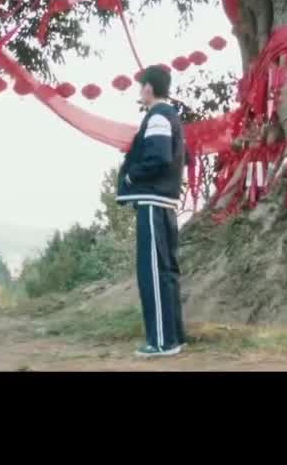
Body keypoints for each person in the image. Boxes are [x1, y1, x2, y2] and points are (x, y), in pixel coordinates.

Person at [115, 65, 186, 357]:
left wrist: (132, 176)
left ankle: (161, 342)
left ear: (148, 88)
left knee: (153, 272)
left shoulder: (157, 116)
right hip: (164, 202)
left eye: (140, 86)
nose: (139, 91)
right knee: (166, 271)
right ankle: (174, 337)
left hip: (153, 200)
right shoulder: (170, 116)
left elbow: (159, 157)